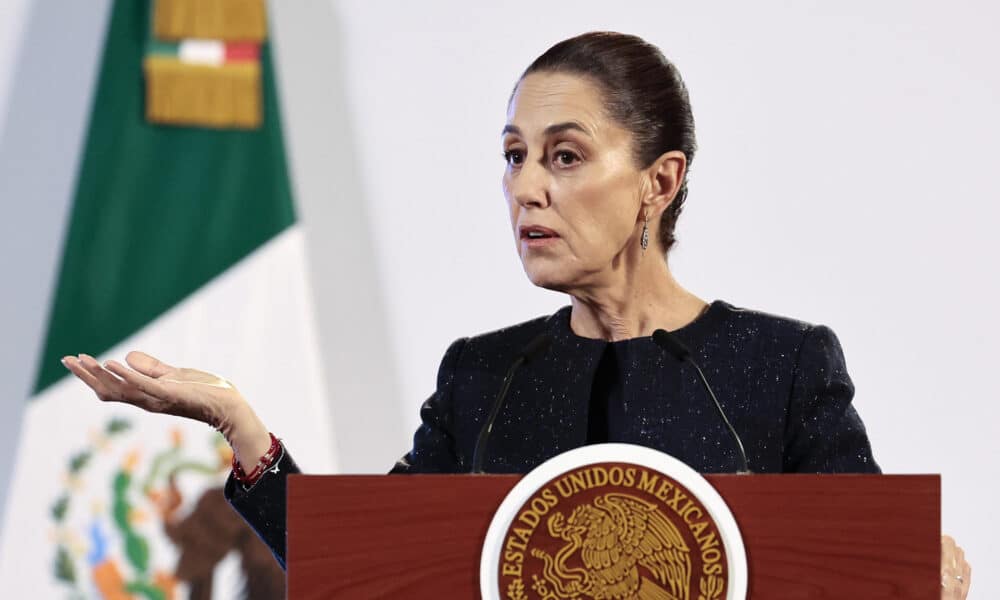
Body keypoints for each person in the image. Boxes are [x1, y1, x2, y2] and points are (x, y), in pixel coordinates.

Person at [62, 31, 971, 598]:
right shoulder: (482, 377)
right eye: (513, 156)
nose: (525, 189)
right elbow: (367, 568)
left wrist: (922, 572)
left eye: (565, 156)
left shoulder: (783, 365)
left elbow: (868, 569)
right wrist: (240, 424)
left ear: (661, 181)